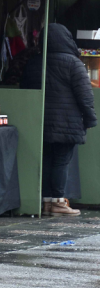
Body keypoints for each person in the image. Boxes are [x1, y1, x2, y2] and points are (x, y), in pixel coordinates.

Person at [21, 23, 97, 216]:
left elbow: (24, 90)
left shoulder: (34, 62)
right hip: (67, 123)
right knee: (61, 161)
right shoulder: (73, 63)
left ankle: (46, 202)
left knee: (46, 159)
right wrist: (90, 119)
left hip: (40, 121)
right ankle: (58, 202)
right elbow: (85, 95)